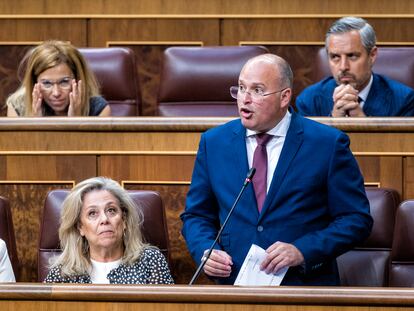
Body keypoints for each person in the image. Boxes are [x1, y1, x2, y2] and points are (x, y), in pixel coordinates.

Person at [181, 53, 373, 285]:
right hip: (234, 288)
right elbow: (196, 215)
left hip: (303, 289)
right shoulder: (214, 143)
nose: (245, 99)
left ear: (284, 97)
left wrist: (303, 251)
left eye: (257, 90)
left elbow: (356, 219)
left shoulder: (327, 144)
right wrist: (205, 250)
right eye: (241, 88)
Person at [44, 177, 173, 284]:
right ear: (80, 227)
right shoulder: (62, 272)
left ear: (124, 220)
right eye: (92, 213)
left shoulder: (151, 261)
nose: (104, 219)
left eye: (111, 210)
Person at [295, 16, 414, 117]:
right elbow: (305, 144)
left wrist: (361, 123)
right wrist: (333, 121)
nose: (343, 67)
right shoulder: (309, 100)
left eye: (352, 56)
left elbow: (402, 145)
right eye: (335, 57)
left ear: (372, 55)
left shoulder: (403, 99)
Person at [6, 40, 111, 117]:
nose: (56, 93)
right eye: (47, 83)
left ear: (79, 79)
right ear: (34, 82)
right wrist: (35, 125)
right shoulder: (18, 106)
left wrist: (76, 121)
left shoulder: (98, 109)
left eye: (64, 82)